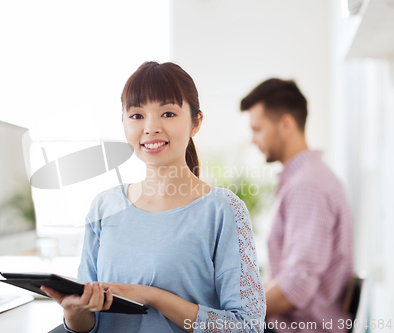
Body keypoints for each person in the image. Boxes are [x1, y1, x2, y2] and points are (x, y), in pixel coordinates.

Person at [41, 61, 266, 332]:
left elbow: (247, 326)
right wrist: (72, 312)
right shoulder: (103, 206)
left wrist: (151, 296)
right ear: (123, 123)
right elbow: (88, 321)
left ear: (196, 122)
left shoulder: (223, 210)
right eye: (137, 116)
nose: (151, 127)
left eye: (168, 113)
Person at [240, 78, 354, 333]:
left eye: (257, 129)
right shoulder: (305, 179)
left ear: (286, 124)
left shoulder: (307, 185)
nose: (253, 140)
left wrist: (232, 316)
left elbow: (296, 285)